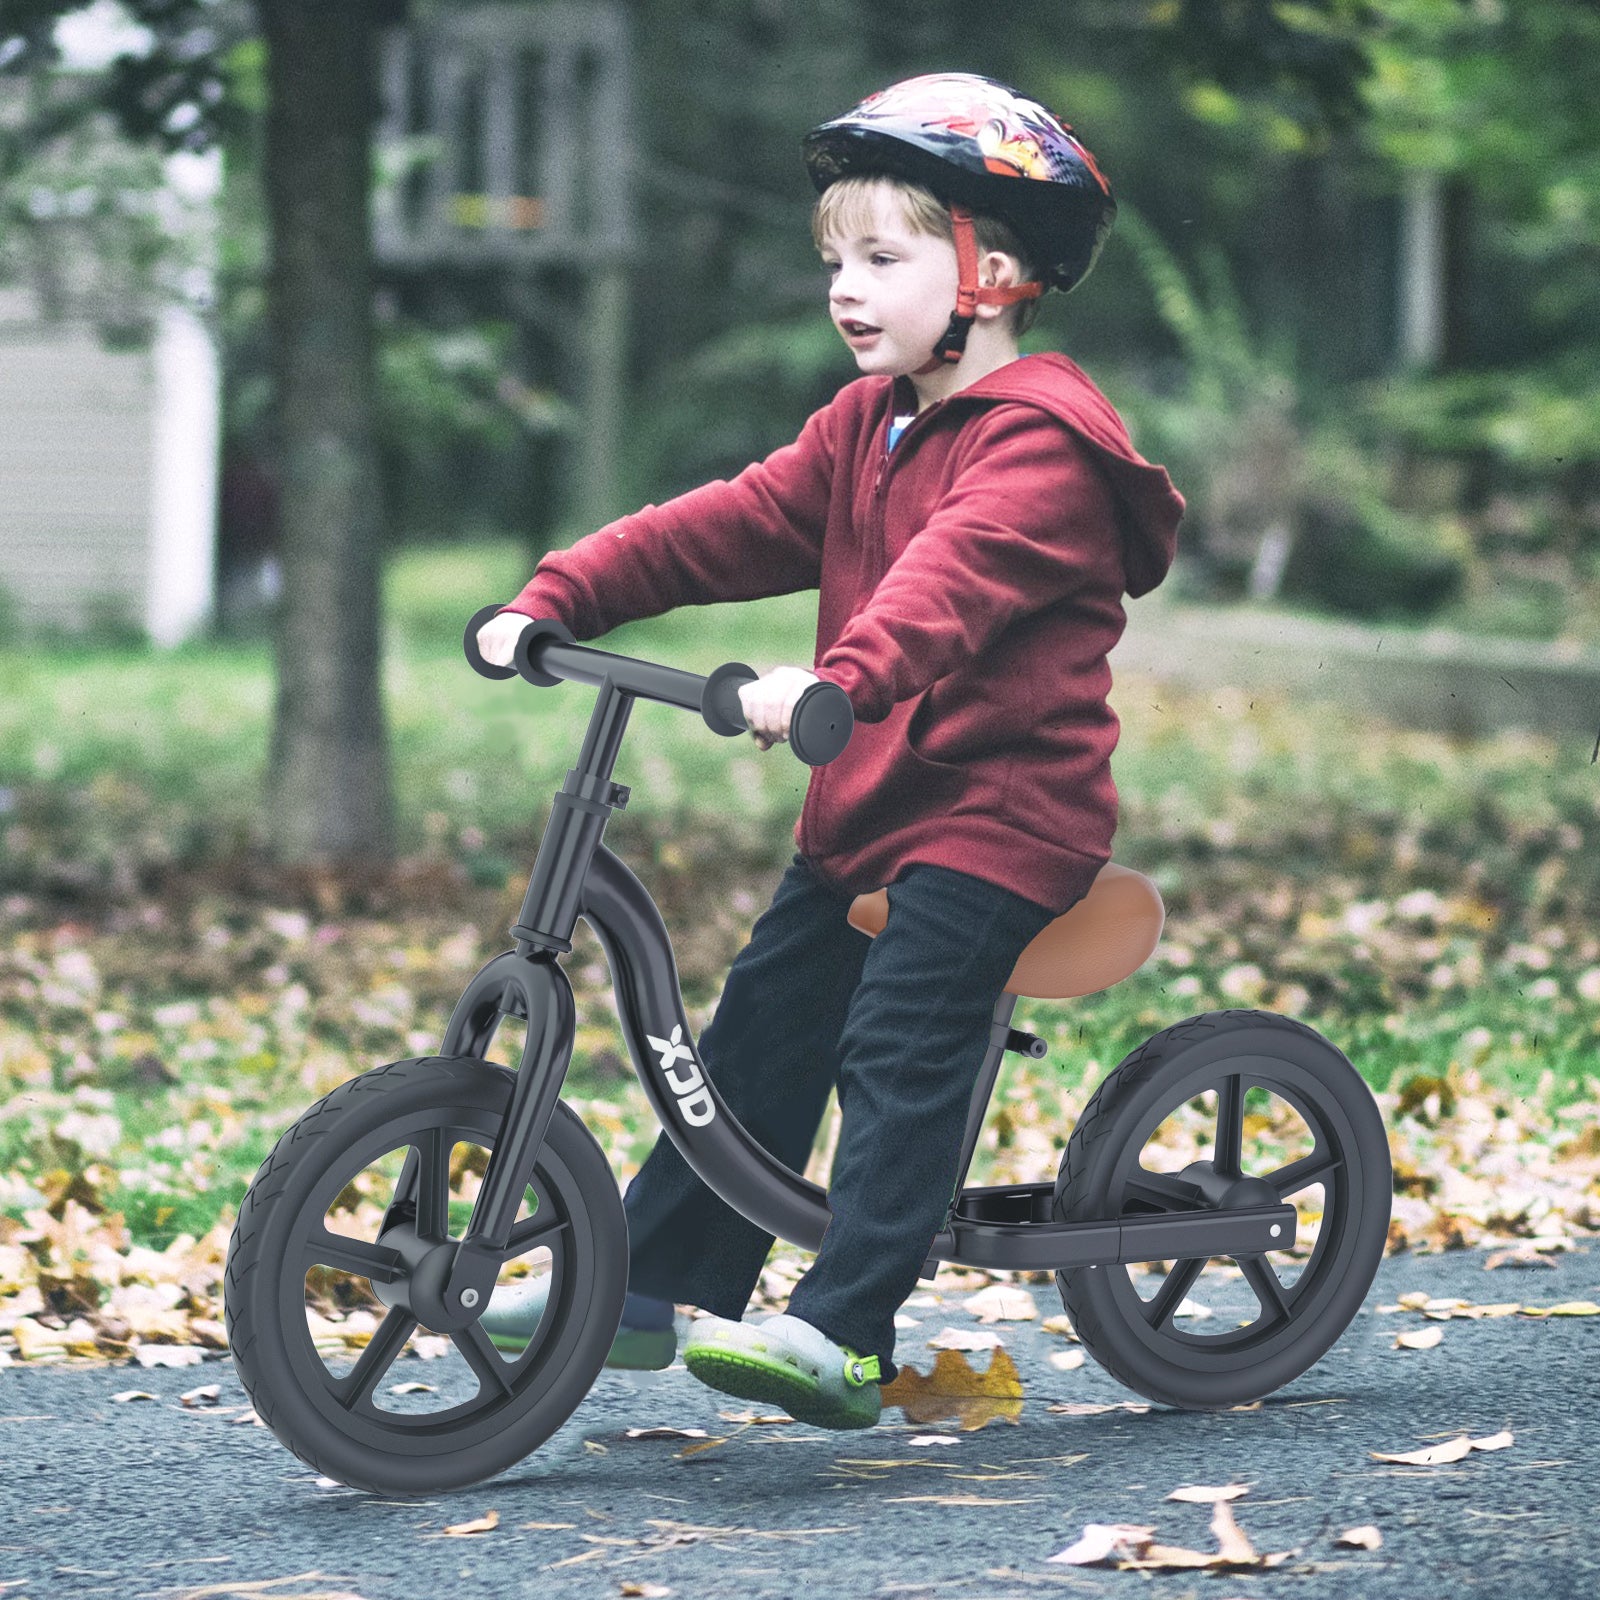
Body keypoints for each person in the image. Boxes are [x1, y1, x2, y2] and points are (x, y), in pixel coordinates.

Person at [473, 72, 1185, 1429]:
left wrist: (836, 681)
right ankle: (647, 1286)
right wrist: (558, 595)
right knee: (758, 1037)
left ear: (995, 274)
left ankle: (848, 1329)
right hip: (870, 805)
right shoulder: (868, 424)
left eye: (882, 258)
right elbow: (724, 524)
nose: (845, 289)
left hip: (999, 816)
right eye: (835, 263)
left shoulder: (1043, 446)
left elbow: (947, 585)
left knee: (899, 1036)